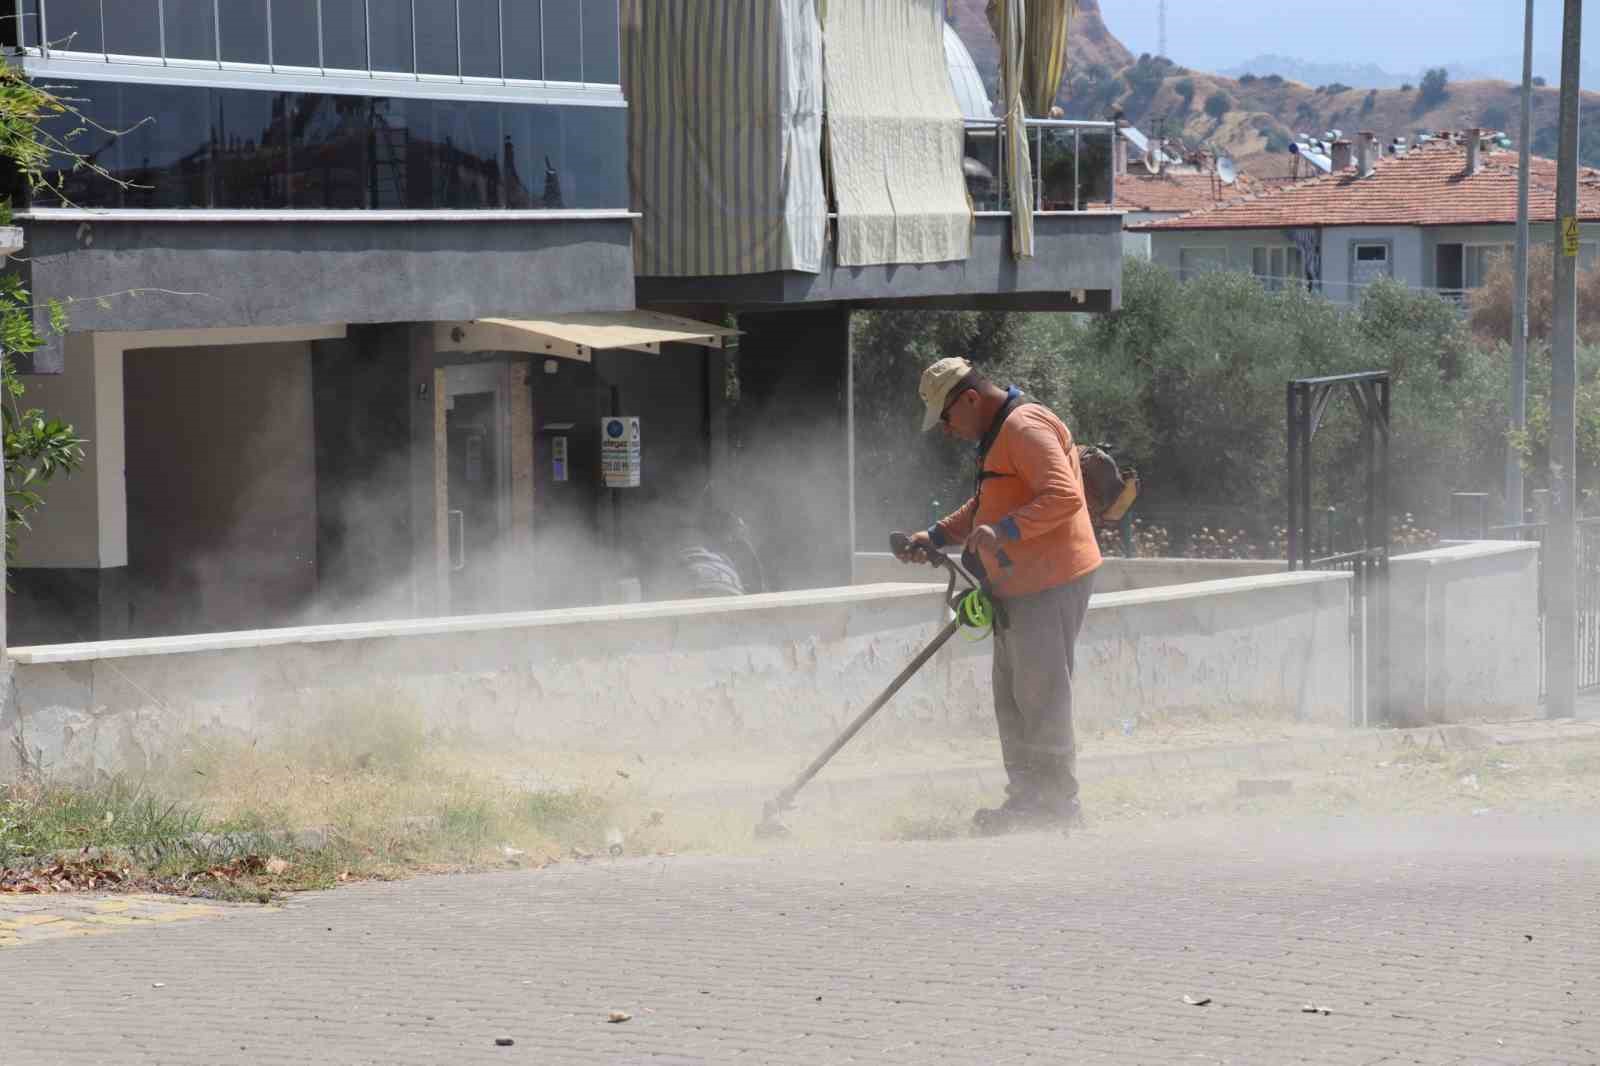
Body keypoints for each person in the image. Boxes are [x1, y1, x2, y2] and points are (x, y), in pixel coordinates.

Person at [894, 357, 1102, 834]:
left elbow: (1065, 496)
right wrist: (935, 535)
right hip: (1020, 584)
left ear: (969, 399)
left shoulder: (1024, 428)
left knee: (1041, 691)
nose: (947, 431)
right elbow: (989, 502)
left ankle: (1056, 804)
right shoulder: (1000, 434)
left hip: (1050, 579)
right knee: (1013, 694)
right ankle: (1027, 799)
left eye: (946, 418)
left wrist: (1004, 532)